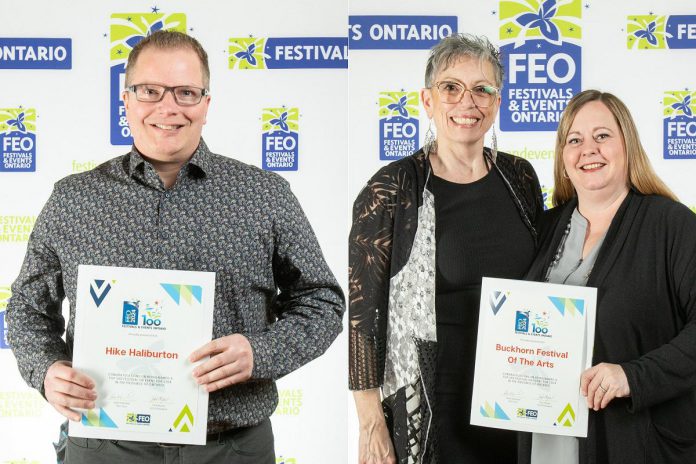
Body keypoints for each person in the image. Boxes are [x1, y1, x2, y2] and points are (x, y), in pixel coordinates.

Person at [6, 30, 344, 463]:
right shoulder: (73, 199)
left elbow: (322, 300)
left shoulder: (265, 195)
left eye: (186, 92)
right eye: (150, 91)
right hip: (104, 446)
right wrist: (47, 370)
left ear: (206, 103)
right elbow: (27, 308)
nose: (168, 108)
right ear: (125, 99)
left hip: (231, 447)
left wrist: (260, 352)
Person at [349, 33, 543, 463]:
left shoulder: (521, 177)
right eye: (451, 87)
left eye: (482, 89)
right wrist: (371, 424)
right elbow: (364, 312)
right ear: (427, 100)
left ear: (497, 101)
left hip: (519, 396)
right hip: (436, 400)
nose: (466, 102)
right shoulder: (392, 188)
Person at [520, 90, 696, 464]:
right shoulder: (544, 229)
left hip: (635, 445)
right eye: (575, 140)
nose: (589, 149)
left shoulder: (671, 224)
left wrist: (633, 377)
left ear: (627, 145)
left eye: (602, 136)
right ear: (563, 157)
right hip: (545, 442)